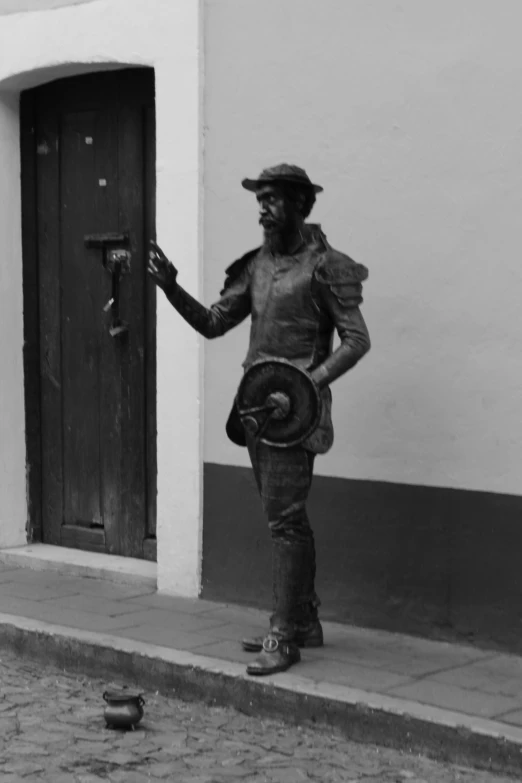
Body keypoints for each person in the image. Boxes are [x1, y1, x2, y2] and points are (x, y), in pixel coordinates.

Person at [147, 163, 371, 676]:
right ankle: (305, 621)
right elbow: (212, 322)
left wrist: (311, 381)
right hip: (256, 409)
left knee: (285, 522)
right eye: (260, 199)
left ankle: (283, 633)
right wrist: (171, 288)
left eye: (273, 199)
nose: (264, 208)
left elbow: (357, 339)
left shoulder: (326, 266)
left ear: (301, 205)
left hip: (296, 412)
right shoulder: (256, 266)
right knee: (289, 519)